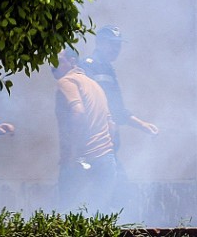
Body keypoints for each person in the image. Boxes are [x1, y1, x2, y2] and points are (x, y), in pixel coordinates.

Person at [79, 25, 159, 215]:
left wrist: (143, 125)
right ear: (99, 43)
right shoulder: (87, 66)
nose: (116, 49)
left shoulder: (108, 68)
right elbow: (89, 108)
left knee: (117, 193)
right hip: (96, 145)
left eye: (119, 45)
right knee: (106, 193)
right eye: (112, 44)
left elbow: (118, 110)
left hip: (109, 145)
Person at [51, 48, 116, 214]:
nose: (53, 66)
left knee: (68, 215)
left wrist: (74, 154)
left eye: (58, 61)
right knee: (99, 217)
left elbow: (78, 113)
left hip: (81, 161)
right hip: (106, 160)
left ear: (72, 61)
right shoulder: (94, 85)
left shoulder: (67, 81)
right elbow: (111, 125)